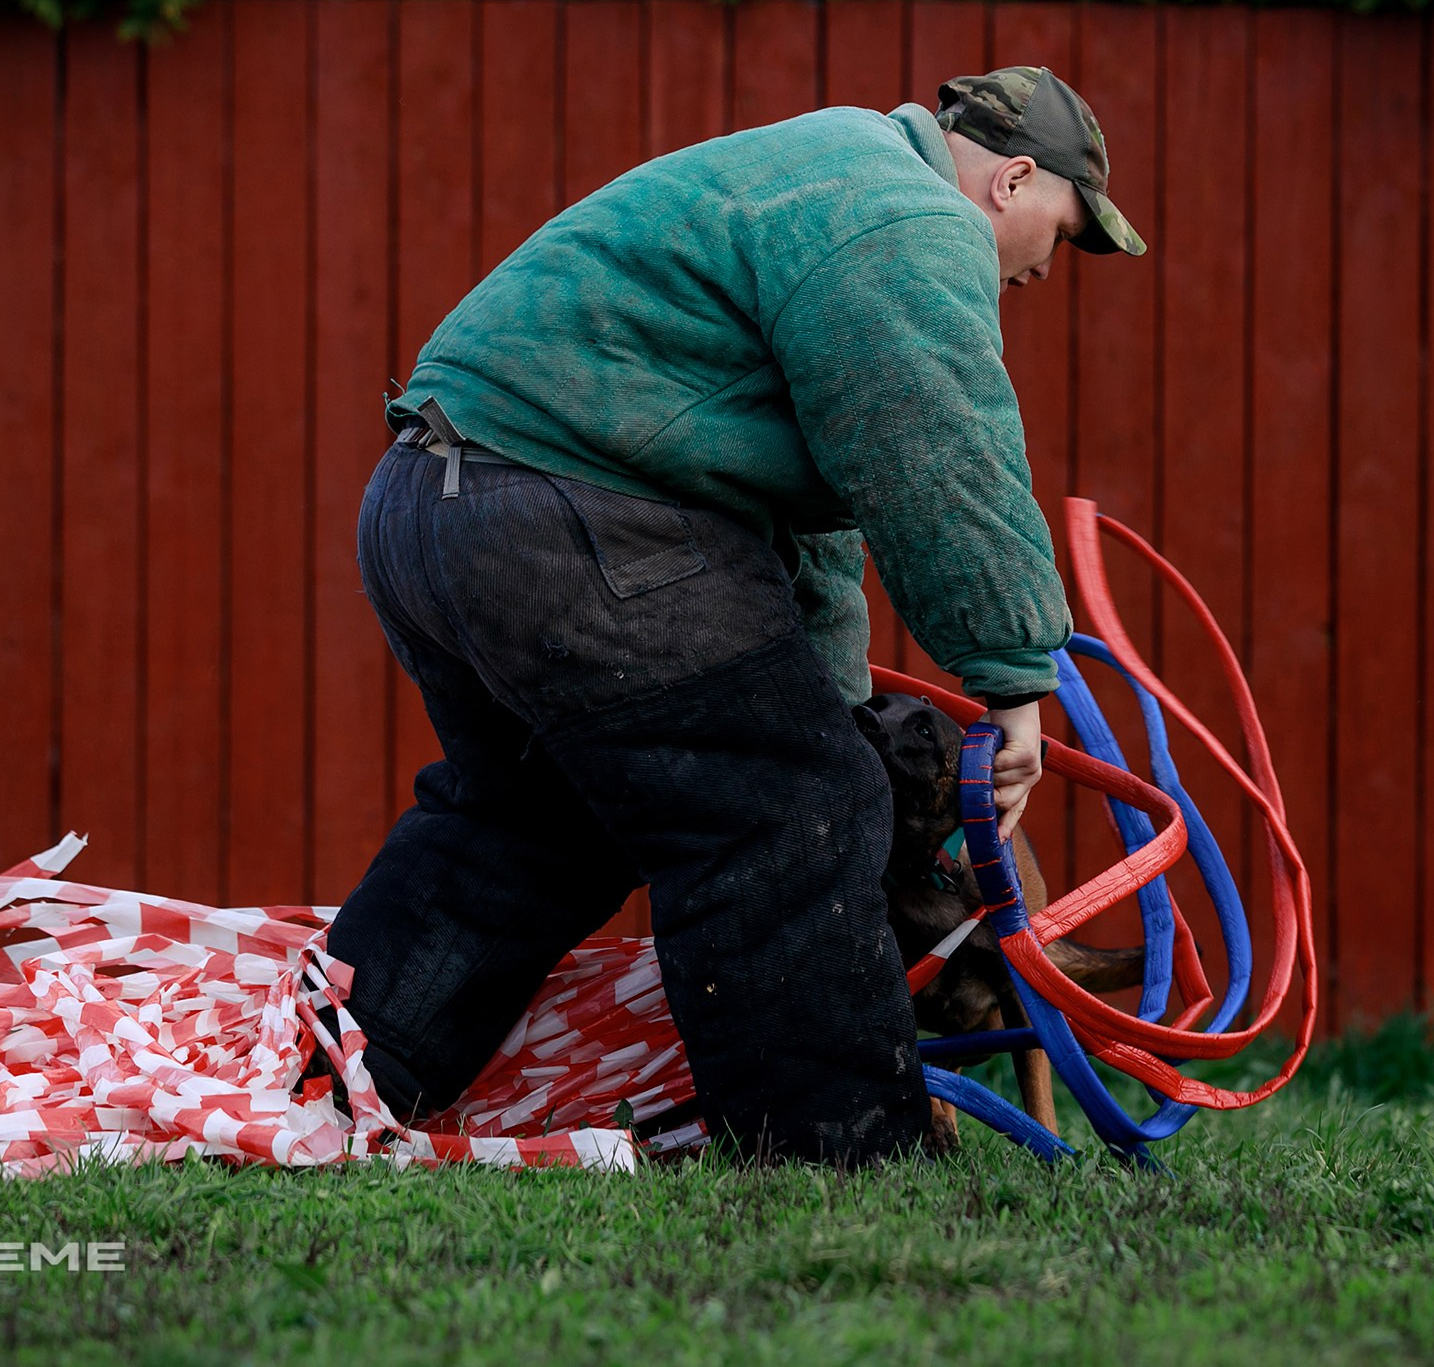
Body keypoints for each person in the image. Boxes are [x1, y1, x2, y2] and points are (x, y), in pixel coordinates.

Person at [323, 67, 1146, 1163]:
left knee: (531, 824)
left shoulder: (821, 172)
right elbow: (942, 456)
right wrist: (1011, 681)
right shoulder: (904, 219)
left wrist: (838, 707)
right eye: (1063, 228)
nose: (1048, 266)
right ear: (1010, 178)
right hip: (565, 505)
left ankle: (332, 1085)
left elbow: (809, 536)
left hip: (433, 501)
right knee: (785, 806)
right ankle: (838, 1155)